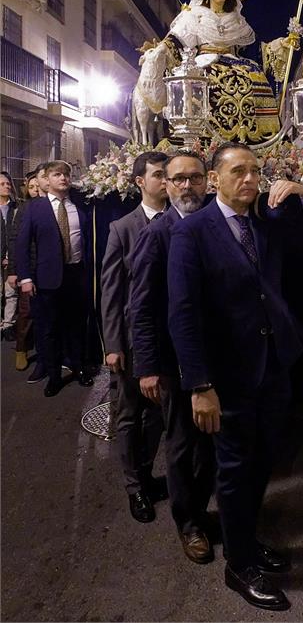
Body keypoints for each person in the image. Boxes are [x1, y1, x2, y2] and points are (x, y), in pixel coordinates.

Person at [168, 142, 303, 611]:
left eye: (255, 170)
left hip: (273, 366)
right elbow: (183, 314)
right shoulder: (193, 233)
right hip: (228, 376)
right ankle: (239, 564)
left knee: (263, 463)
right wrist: (200, 385)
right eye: (237, 171)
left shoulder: (264, 224)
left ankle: (247, 538)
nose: (249, 178)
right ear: (214, 180)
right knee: (236, 471)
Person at [130, 151, 215, 562]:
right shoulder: (158, 234)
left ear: (207, 182)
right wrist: (146, 367)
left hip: (213, 357)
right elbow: (141, 307)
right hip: (172, 360)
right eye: (177, 179)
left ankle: (203, 507)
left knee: (211, 445)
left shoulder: (214, 226)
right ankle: (189, 523)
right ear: (165, 184)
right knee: (182, 445)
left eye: (194, 179)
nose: (186, 186)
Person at [143, 0, 294, 144]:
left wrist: (281, 45)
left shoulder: (238, 21)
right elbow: (176, 42)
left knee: (255, 76)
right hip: (204, 62)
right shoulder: (195, 16)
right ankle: (196, 137)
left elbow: (256, 52)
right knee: (198, 81)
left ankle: (259, 139)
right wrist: (161, 50)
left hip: (237, 62)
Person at [101, 151, 168, 523]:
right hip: (129, 339)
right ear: (141, 181)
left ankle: (146, 475)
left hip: (164, 340)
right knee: (129, 415)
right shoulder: (123, 228)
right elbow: (111, 291)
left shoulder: (179, 222)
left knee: (157, 415)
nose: (165, 181)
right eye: (159, 175)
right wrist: (113, 345)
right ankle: (135, 487)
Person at [15, 160, 93, 397]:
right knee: (48, 329)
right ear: (46, 180)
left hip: (76, 274)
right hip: (46, 278)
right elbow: (22, 243)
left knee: (76, 325)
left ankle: (79, 367)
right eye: (57, 174)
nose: (63, 178)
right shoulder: (34, 207)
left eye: (66, 174)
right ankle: (54, 375)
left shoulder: (79, 204)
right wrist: (25, 277)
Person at [5, 171, 41, 371]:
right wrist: (13, 270)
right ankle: (21, 349)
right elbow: (14, 240)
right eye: (32, 186)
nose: (35, 190)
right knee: (25, 311)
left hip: (44, 267)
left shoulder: (49, 206)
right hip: (27, 266)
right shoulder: (23, 209)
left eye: (38, 186)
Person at [1, 171, 20, 339]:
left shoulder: (15, 208)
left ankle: (8, 325)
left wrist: (10, 256)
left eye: (8, 184)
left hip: (10, 256)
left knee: (10, 292)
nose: (6, 186)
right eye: (2, 184)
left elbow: (15, 234)